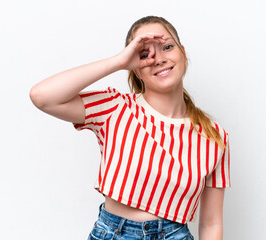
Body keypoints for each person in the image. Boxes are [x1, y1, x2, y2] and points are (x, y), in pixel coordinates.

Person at [30, 16, 231, 240]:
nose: (159, 59)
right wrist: (118, 62)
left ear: (182, 51)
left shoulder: (214, 137)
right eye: (144, 55)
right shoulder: (115, 108)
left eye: (167, 47)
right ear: (135, 68)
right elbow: (42, 97)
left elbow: (212, 223)